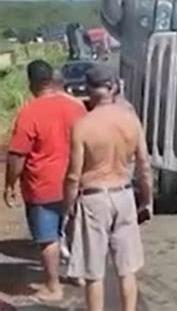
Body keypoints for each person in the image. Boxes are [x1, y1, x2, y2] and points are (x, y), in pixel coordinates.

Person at [64, 63, 152, 311]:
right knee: (127, 269)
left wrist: (68, 207)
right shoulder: (131, 121)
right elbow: (144, 166)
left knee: (94, 272)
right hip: (123, 194)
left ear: (88, 90)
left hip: (93, 198)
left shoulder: (83, 126)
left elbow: (73, 175)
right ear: (113, 87)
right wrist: (146, 200)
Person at [3, 59, 87, 302]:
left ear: (32, 83)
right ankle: (78, 274)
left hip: (43, 186)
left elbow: (18, 155)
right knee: (73, 228)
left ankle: (53, 286)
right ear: (52, 79)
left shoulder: (30, 112)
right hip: (75, 181)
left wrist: (10, 185)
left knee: (47, 237)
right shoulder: (76, 108)